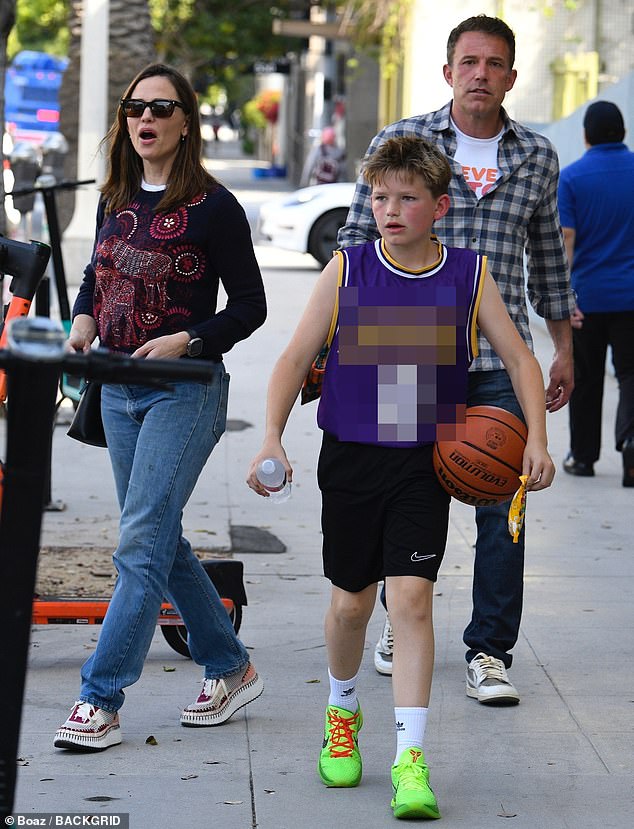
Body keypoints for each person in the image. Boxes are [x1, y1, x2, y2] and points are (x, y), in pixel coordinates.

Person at [247, 136, 555, 819]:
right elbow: (295, 357)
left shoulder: (468, 275)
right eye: (380, 196)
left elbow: (521, 358)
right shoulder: (349, 269)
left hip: (426, 460)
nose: (390, 209)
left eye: (407, 198)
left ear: (440, 206)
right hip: (351, 457)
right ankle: (342, 707)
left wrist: (536, 436)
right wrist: (270, 436)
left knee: (411, 600)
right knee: (351, 606)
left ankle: (411, 759)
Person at [339, 13, 575, 704]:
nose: (480, 73)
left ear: (510, 76)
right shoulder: (403, 142)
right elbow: (357, 243)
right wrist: (343, 348)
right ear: (448, 72)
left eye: (494, 63)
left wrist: (564, 348)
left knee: (505, 499)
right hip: (406, 349)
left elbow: (549, 267)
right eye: (468, 61)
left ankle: (489, 649)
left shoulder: (536, 156)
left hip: (499, 360)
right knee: (409, 494)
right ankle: (400, 616)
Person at [54, 63, 267, 752]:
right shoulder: (114, 194)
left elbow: (251, 306)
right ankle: (231, 665)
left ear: (184, 124)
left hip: (186, 391)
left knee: (138, 542)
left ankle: (100, 697)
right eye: (135, 107)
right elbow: (95, 273)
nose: (146, 118)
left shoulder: (214, 207)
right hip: (116, 390)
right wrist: (82, 319)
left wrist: (189, 338)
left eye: (162, 108)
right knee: (158, 538)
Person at [558, 100, 634, 487]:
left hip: (587, 300)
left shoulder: (572, 178)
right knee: (631, 375)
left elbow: (566, 242)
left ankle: (583, 458)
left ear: (585, 135)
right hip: (632, 298)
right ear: (622, 132)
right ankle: (632, 441)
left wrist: (563, 297)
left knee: (585, 380)